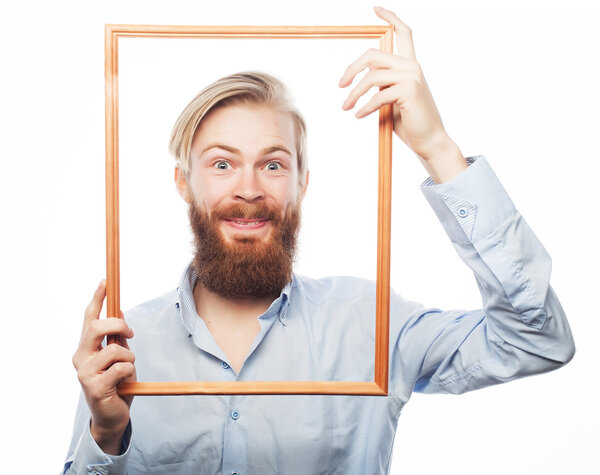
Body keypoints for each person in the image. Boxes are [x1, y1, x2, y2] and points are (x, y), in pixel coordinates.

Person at [63, 6, 575, 474]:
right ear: (183, 183)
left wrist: (435, 145)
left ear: (302, 183)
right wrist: (106, 435)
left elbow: (536, 339)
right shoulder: (126, 350)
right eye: (222, 164)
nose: (248, 189)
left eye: (273, 164)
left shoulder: (372, 323)